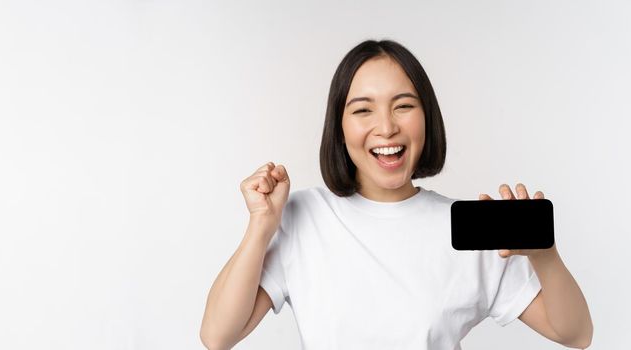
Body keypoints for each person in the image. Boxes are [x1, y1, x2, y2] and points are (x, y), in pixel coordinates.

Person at [200, 39, 593, 350]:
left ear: (427, 118)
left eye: (403, 106)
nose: (386, 127)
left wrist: (546, 255)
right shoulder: (305, 215)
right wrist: (261, 226)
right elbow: (218, 336)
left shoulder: (469, 228)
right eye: (363, 110)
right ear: (339, 128)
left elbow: (575, 334)